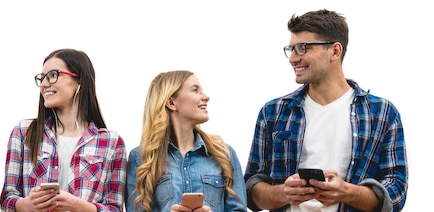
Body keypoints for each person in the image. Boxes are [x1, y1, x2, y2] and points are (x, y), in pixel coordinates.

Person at [244, 9, 408, 212]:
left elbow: (397, 191)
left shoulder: (382, 113)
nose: (293, 58)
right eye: (291, 49)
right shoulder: (273, 112)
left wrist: (347, 192)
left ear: (335, 51)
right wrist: (283, 193)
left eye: (303, 48)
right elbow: (250, 189)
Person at [0, 48, 127, 212]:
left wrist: (81, 207)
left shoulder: (112, 142)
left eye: (53, 75)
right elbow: (7, 200)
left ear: (79, 80)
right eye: (42, 78)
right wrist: (25, 206)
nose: (45, 84)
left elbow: (115, 208)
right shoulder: (23, 132)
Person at [126, 70, 247, 212]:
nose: (206, 97)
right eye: (195, 90)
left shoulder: (224, 154)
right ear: (171, 102)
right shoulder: (140, 158)